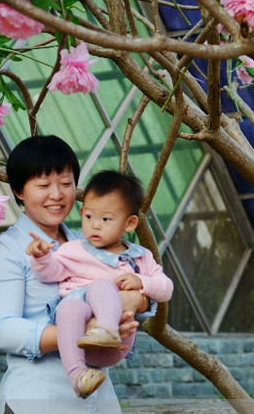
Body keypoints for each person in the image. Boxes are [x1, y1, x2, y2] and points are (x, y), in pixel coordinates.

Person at [0, 135, 154, 414]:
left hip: (100, 401)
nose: (57, 195)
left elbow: (136, 284)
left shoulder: (89, 244)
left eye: (66, 183)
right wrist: (80, 332)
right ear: (19, 191)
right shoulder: (5, 250)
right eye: (44, 185)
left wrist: (137, 302)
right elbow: (1, 330)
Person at [25, 170, 174, 398]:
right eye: (89, 217)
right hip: (76, 341)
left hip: (117, 342)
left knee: (101, 286)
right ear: (82, 213)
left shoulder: (139, 257)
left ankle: (106, 328)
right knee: (67, 306)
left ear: (130, 223)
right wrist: (41, 257)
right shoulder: (73, 250)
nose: (95, 226)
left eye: (106, 219)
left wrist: (142, 282)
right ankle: (78, 376)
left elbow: (166, 288)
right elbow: (49, 273)